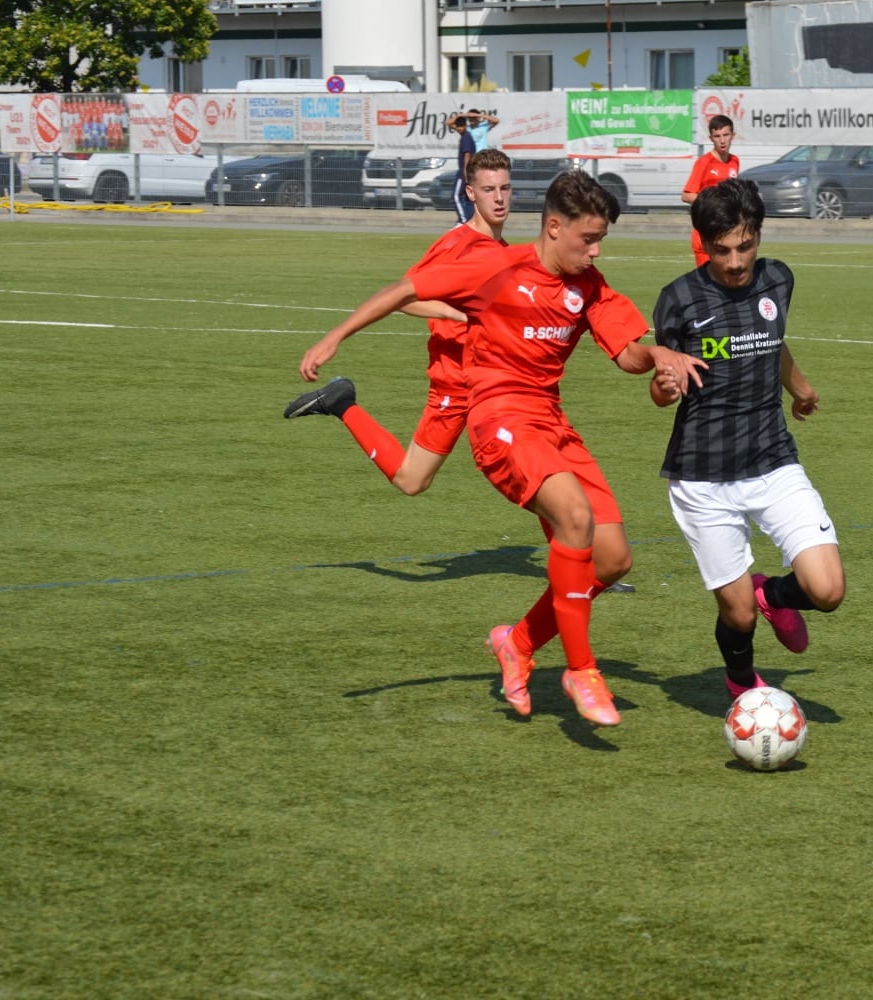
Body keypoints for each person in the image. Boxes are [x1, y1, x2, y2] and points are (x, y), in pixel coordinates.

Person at [294, 170, 706, 726]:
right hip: (499, 418)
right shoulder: (494, 266)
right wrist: (334, 337)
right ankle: (581, 669)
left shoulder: (589, 285)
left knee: (612, 560)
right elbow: (406, 290)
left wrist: (657, 356)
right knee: (574, 516)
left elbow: (627, 354)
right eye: (588, 238)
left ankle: (517, 642)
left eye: (601, 239)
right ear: (554, 227)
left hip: (551, 421)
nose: (596, 250)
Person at [649, 178, 845, 702]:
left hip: (773, 460)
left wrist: (799, 388)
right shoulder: (678, 299)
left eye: (745, 246)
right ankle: (742, 682)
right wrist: (665, 386)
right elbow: (661, 388)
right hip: (703, 476)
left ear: (758, 234)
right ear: (703, 243)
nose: (735, 262)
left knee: (828, 589)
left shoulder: (778, 279)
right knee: (736, 616)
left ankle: (771, 594)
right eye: (721, 250)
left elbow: (770, 344)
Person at [282, 148, 514, 496]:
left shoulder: (504, 249)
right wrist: (454, 313)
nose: (498, 198)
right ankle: (341, 403)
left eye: (504, 188)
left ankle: (572, 524)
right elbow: (403, 297)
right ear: (470, 193)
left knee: (521, 462)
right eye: (488, 189)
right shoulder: (458, 247)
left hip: (490, 379)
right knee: (412, 479)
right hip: (455, 380)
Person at [680, 115, 740, 267]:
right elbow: (686, 195)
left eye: (726, 135)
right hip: (705, 234)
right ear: (711, 138)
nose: (722, 140)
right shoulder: (704, 163)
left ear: (733, 135)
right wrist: (713, 203)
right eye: (717, 136)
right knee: (707, 280)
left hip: (726, 234)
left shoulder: (734, 161)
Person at [449, 114, 476, 223]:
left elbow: (467, 155)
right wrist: (461, 115)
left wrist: (465, 172)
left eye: (461, 126)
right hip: (469, 172)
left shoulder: (466, 137)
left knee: (455, 196)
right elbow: (449, 124)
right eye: (457, 127)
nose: (458, 129)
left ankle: (463, 220)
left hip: (463, 172)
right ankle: (471, 220)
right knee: (468, 198)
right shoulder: (465, 135)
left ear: (465, 126)